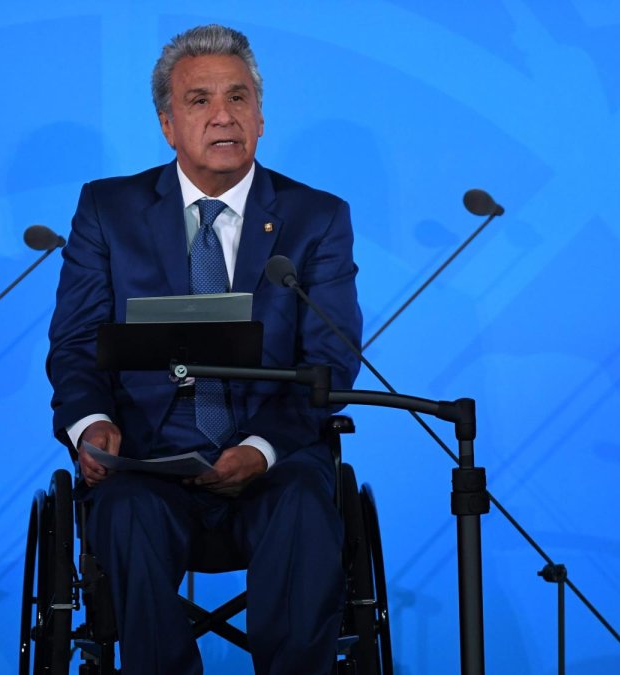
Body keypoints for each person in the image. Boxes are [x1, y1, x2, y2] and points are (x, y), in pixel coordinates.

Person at [46, 24, 362, 675]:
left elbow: (329, 361)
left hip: (273, 461)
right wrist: (92, 424)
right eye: (200, 100)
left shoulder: (316, 218)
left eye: (238, 97)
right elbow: (75, 344)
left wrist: (261, 448)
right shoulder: (108, 210)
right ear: (167, 124)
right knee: (126, 514)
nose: (224, 115)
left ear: (261, 117)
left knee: (306, 507)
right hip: (145, 461)